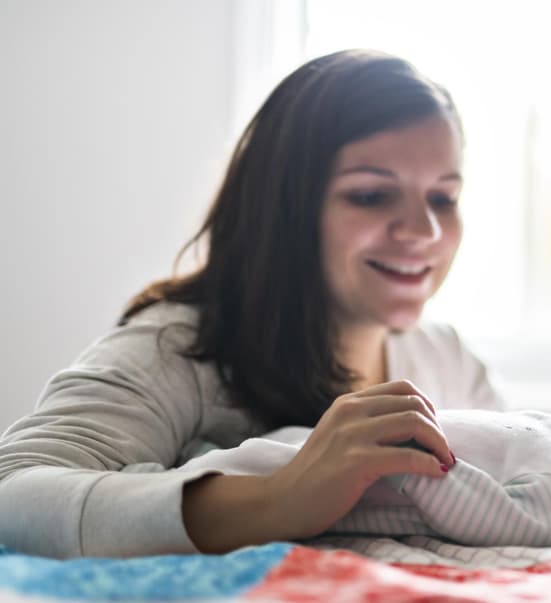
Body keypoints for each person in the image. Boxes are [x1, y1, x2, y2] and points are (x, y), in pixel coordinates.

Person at [0, 49, 506, 559]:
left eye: (443, 198)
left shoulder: (449, 362)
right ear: (283, 206)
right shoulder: (179, 350)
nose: (425, 231)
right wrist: (279, 498)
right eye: (372, 196)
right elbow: (12, 491)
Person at [179, 407, 551, 551]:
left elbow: (485, 516)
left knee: (258, 467)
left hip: (366, 476)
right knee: (275, 445)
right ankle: (203, 454)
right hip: (347, 444)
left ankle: (185, 470)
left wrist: (410, 469)